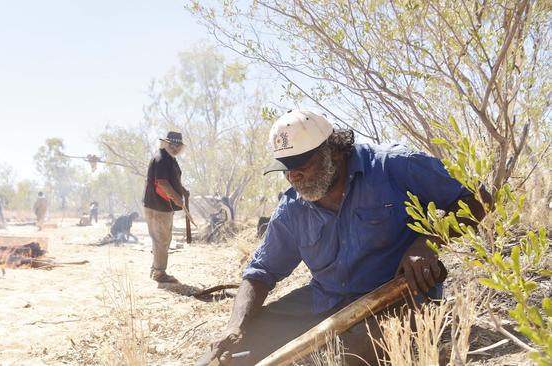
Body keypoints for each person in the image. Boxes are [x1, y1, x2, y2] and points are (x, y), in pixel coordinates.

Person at [197, 110, 491, 366]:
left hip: (396, 299)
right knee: (234, 348)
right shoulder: (292, 208)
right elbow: (261, 273)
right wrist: (234, 327)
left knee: (339, 354)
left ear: (334, 151)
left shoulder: (395, 166)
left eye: (302, 164)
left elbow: (478, 199)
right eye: (286, 168)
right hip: (324, 301)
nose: (293, 176)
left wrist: (427, 242)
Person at [143, 131, 189, 283]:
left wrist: (182, 190)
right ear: (166, 143)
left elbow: (171, 180)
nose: (175, 147)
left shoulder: (169, 158)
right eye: (172, 144)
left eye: (178, 145)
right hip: (159, 207)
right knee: (162, 239)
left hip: (157, 205)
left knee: (159, 239)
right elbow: (162, 183)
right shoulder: (162, 158)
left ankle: (156, 269)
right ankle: (159, 273)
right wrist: (177, 199)